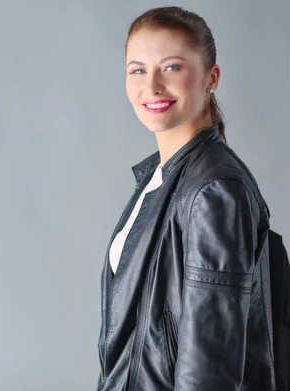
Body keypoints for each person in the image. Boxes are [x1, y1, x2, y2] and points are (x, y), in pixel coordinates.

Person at [97, 6, 276, 391]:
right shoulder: (159, 179)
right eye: (138, 70)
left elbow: (211, 365)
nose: (152, 87)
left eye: (172, 67)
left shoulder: (214, 189)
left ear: (211, 78)